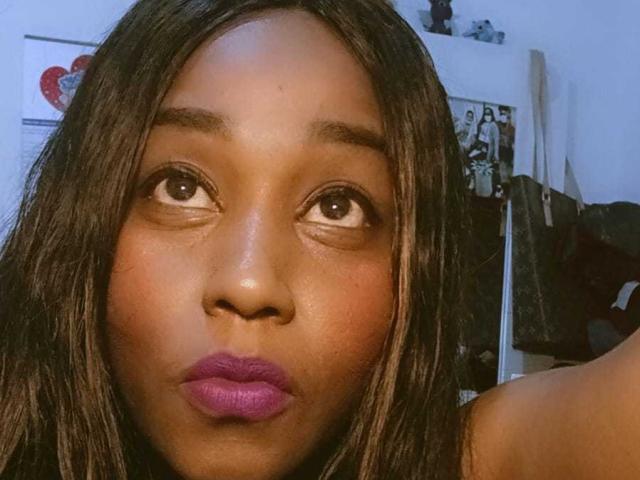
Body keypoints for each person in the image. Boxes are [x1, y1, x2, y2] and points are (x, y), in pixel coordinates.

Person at [2, 1, 640, 480]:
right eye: (181, 187)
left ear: (414, 265)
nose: (249, 283)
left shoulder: (463, 462)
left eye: (338, 206)